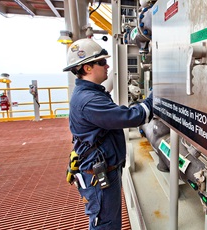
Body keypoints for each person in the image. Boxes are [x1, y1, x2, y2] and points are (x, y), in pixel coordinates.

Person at [63, 38, 153, 230]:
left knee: (108, 221)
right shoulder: (89, 100)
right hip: (99, 175)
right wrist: (154, 98)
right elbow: (128, 117)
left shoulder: (90, 93)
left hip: (102, 169)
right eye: (102, 62)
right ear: (87, 68)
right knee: (106, 224)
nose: (107, 65)